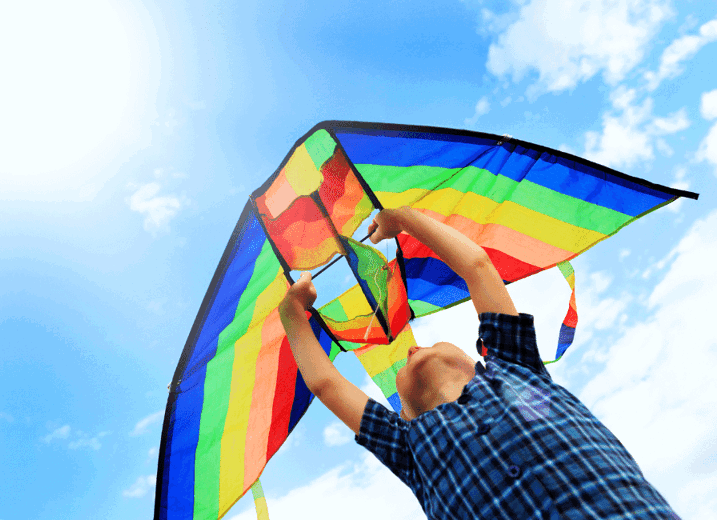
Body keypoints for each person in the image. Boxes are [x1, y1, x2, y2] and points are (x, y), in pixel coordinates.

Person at [279, 206, 679, 519]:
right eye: (404, 361)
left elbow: (477, 266)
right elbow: (325, 384)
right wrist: (293, 316)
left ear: (476, 359)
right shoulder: (408, 446)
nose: (413, 349)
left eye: (426, 343)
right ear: (403, 413)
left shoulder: (514, 366)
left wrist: (403, 219)